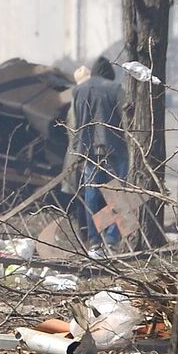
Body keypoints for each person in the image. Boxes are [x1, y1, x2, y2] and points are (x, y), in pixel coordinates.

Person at [67, 56, 126, 253]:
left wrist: (77, 153)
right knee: (118, 194)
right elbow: (127, 119)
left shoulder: (78, 91)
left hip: (89, 151)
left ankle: (94, 241)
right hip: (115, 149)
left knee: (91, 195)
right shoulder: (115, 88)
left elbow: (74, 125)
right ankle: (111, 237)